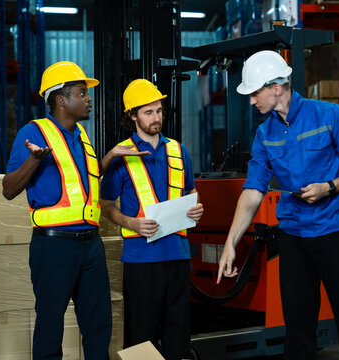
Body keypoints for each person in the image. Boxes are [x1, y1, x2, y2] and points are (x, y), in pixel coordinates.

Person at [216, 50, 339, 360]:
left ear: (276, 87)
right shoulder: (264, 135)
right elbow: (253, 191)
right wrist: (230, 243)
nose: (252, 101)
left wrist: (329, 187)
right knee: (297, 328)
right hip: (292, 238)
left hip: (334, 233)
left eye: (255, 93)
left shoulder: (330, 116)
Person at [2, 61, 149, 360]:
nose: (88, 98)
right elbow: (8, 189)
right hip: (53, 246)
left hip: (90, 245)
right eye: (81, 93)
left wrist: (110, 156)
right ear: (60, 99)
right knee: (50, 325)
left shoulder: (81, 135)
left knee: (99, 325)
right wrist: (34, 161)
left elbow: (85, 181)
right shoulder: (33, 133)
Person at [99, 79, 204, 360]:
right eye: (148, 112)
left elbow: (191, 190)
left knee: (178, 331)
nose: (156, 118)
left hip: (178, 255)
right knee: (141, 335)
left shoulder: (178, 151)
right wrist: (131, 222)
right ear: (132, 116)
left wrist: (196, 208)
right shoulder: (121, 155)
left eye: (159, 110)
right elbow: (105, 205)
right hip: (141, 258)